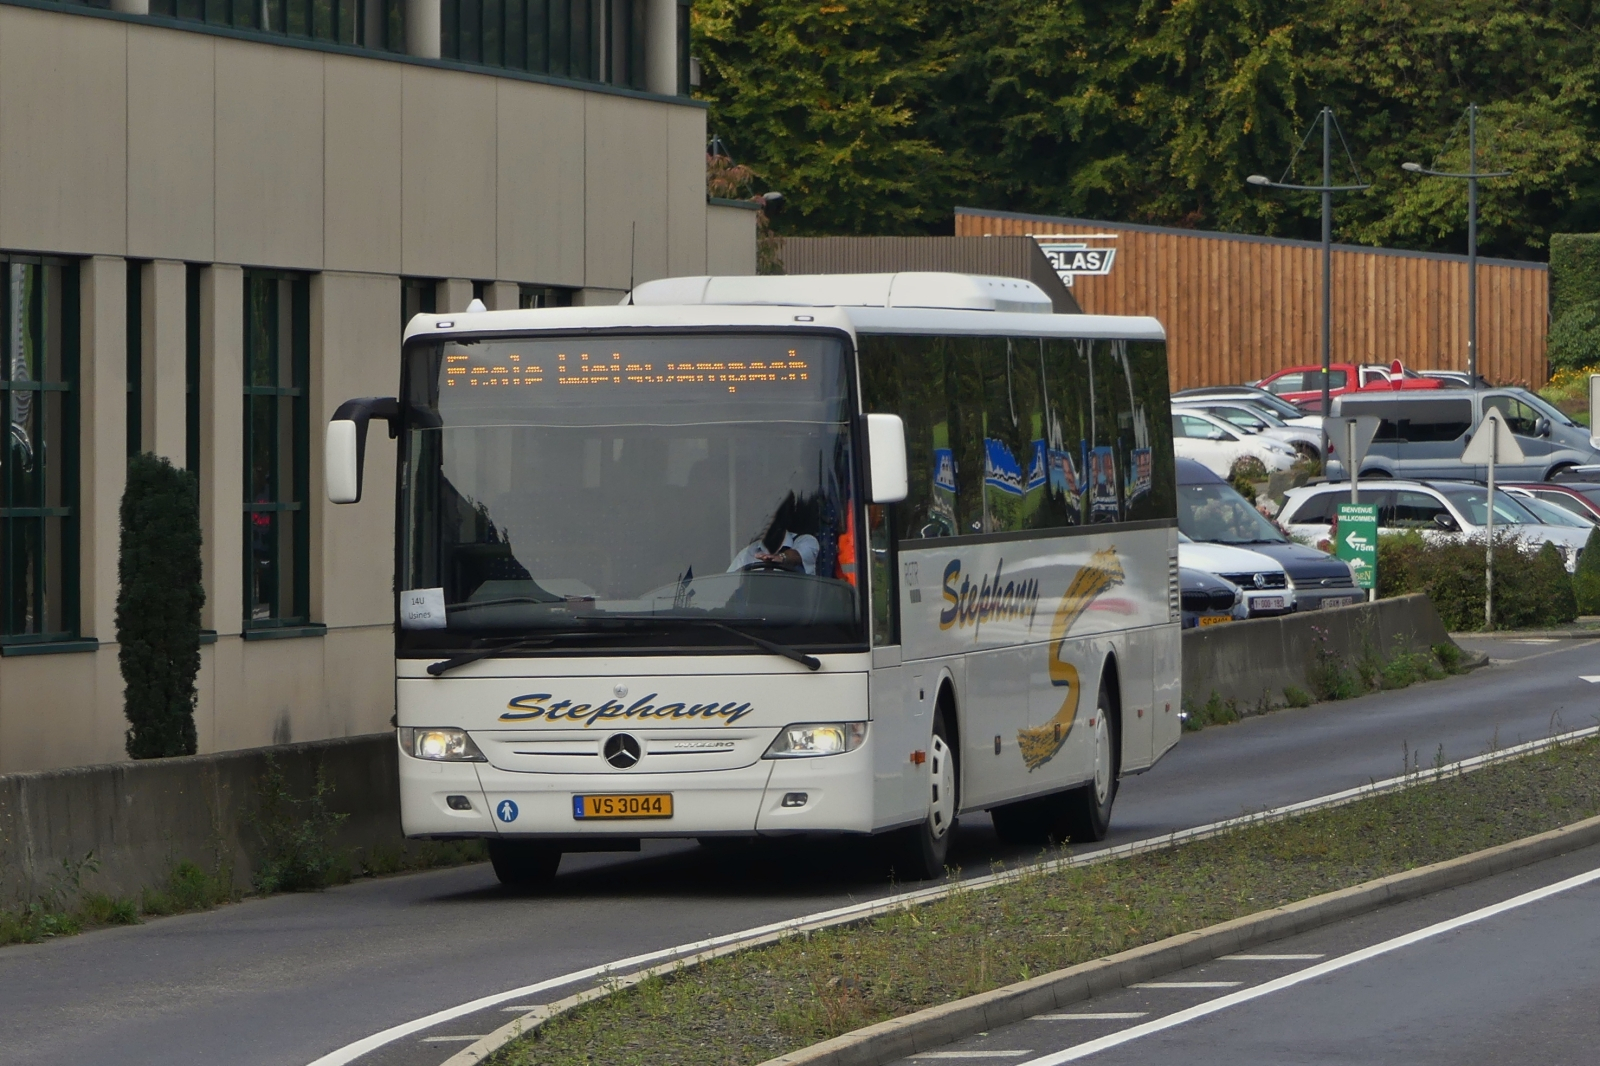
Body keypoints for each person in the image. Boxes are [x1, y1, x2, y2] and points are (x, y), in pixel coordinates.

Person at [728, 492, 820, 575]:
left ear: (783, 519)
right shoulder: (747, 554)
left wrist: (782, 557)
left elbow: (797, 555)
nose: (765, 526)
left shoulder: (806, 541)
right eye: (763, 519)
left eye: (770, 520)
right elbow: (727, 585)